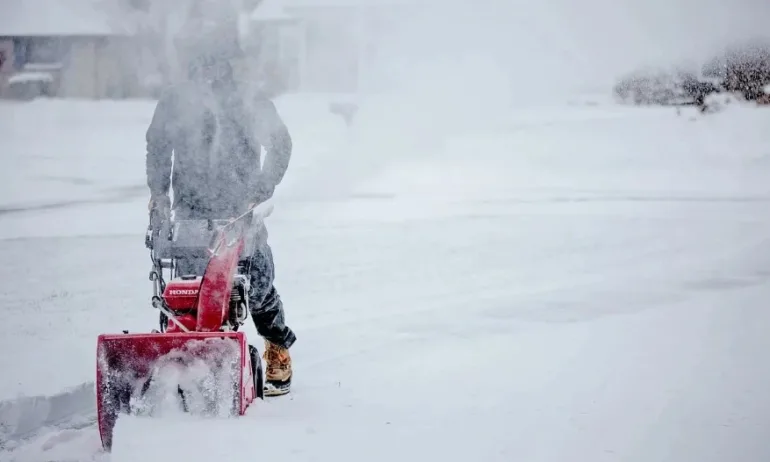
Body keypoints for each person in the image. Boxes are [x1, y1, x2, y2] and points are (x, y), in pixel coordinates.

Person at [145, 50, 295, 396]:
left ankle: (277, 347)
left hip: (240, 209)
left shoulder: (248, 99)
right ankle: (185, 359)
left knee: (255, 284)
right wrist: (159, 193)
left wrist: (259, 191)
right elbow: (157, 144)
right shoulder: (175, 101)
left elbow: (280, 143)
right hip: (191, 209)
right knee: (189, 289)